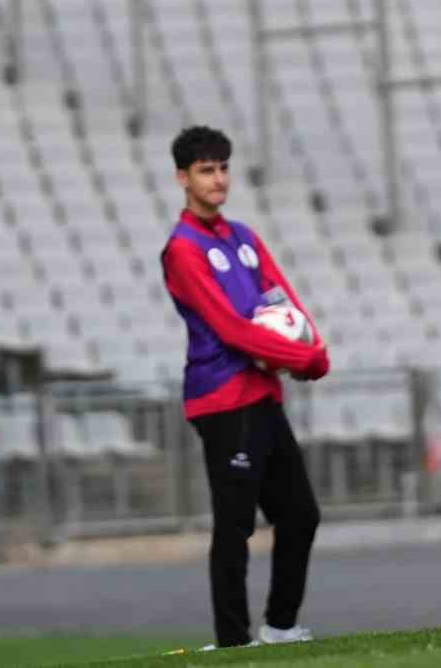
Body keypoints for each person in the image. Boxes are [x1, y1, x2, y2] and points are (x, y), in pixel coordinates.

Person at [161, 126, 331, 649]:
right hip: (221, 399)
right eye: (206, 170)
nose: (218, 179)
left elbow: (284, 301)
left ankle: (280, 626)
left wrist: (313, 349)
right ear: (182, 178)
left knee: (300, 514)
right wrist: (302, 359)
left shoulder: (244, 238)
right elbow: (232, 330)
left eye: (223, 168)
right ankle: (233, 642)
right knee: (235, 524)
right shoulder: (183, 249)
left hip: (262, 393)